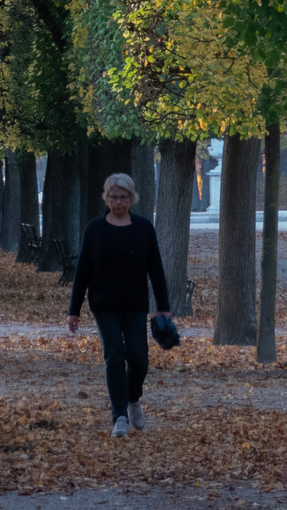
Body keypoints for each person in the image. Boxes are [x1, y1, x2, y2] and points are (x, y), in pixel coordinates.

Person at [67, 172, 170, 438]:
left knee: (139, 358)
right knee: (114, 356)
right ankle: (120, 417)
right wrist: (74, 310)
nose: (118, 202)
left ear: (132, 198)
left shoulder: (144, 228)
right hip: (104, 304)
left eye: (123, 197)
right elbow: (83, 271)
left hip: (135, 304)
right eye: (113, 197)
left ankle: (133, 397)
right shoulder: (95, 229)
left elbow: (155, 269)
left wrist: (163, 305)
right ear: (107, 197)